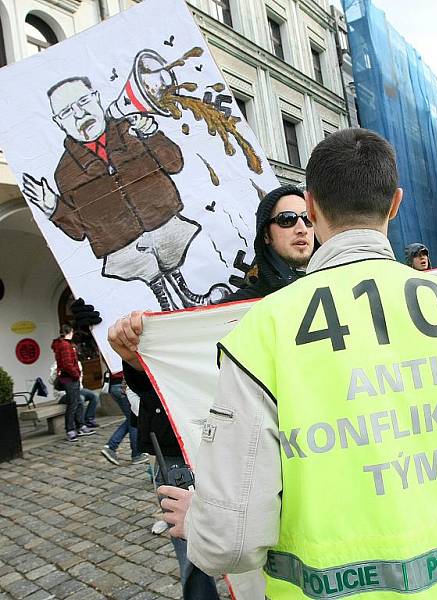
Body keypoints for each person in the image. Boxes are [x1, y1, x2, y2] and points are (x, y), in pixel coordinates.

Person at [158, 128, 437, 599]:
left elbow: (230, 544)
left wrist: (202, 519)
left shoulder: (264, 331)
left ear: (312, 207)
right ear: (395, 203)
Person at [108, 183, 314, 600]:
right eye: (288, 219)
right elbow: (193, 380)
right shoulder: (235, 309)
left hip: (313, 462)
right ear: (266, 234)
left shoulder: (331, 293)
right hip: (255, 462)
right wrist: (137, 358)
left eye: (309, 219)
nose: (301, 228)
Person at [22, 76, 228, 310]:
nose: (80, 115)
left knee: (170, 254)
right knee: (146, 269)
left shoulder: (132, 128)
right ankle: (166, 304)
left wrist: (152, 135)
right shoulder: (64, 173)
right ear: (59, 122)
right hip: (120, 244)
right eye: (68, 112)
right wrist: (53, 208)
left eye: (83, 102)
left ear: (97, 97)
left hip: (163, 222)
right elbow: (79, 232)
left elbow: (174, 164)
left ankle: (188, 296)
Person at [51, 324, 96, 442]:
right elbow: (67, 364)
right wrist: (76, 374)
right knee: (73, 404)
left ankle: (80, 426)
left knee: (77, 402)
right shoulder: (65, 345)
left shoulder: (62, 344)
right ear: (70, 332)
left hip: (69, 378)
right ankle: (70, 429)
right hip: (70, 379)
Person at [101, 372, 149, 465]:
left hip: (116, 385)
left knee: (131, 419)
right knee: (134, 419)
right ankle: (136, 454)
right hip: (123, 385)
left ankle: (111, 446)